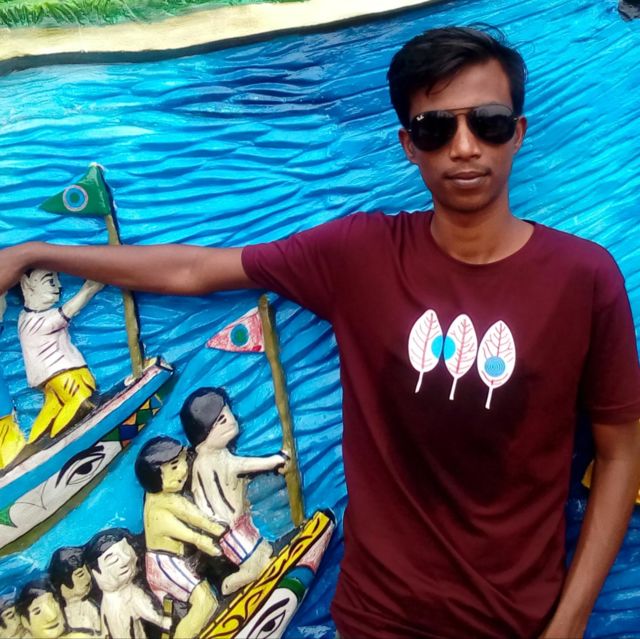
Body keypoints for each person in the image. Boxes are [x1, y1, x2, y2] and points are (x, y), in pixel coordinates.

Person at [1, 25, 639, 639]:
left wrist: (571, 620)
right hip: (379, 618)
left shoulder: (582, 279)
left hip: (521, 621)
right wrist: (38, 253)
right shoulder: (361, 257)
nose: (465, 146)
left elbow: (619, 452)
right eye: (436, 127)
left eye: (489, 122)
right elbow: (197, 270)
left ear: (518, 133)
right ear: (408, 144)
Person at [181, 387, 289, 595]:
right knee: (254, 566)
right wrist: (277, 460)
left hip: (239, 522)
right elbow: (244, 465)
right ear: (205, 433)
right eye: (222, 420)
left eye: (228, 413)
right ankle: (229, 585)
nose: (231, 421)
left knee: (263, 550)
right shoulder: (212, 460)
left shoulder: (211, 458)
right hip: (230, 529)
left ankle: (265, 573)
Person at [135, 436, 226, 639]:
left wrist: (216, 527)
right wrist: (204, 539)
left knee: (205, 597)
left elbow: (193, 515)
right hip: (164, 564)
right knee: (205, 601)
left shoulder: (168, 497)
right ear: (154, 477)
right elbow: (180, 529)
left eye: (183, 461)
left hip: (172, 561)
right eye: (174, 467)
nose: (184, 470)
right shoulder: (156, 506)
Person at [18, 270, 103, 442]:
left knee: (54, 408)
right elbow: (70, 309)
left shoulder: (26, 318)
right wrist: (91, 286)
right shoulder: (35, 322)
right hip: (62, 373)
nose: (59, 286)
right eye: (50, 281)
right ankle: (57, 442)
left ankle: (34, 443)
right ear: (28, 285)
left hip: (55, 377)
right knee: (81, 400)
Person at [84, 528, 169, 639]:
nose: (126, 559)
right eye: (113, 560)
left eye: (126, 551)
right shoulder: (116, 606)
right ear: (96, 574)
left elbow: (150, 612)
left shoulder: (129, 591)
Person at [49, 546, 101, 634]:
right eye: (80, 574)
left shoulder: (91, 605)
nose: (88, 577)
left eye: (87, 570)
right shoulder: (62, 618)